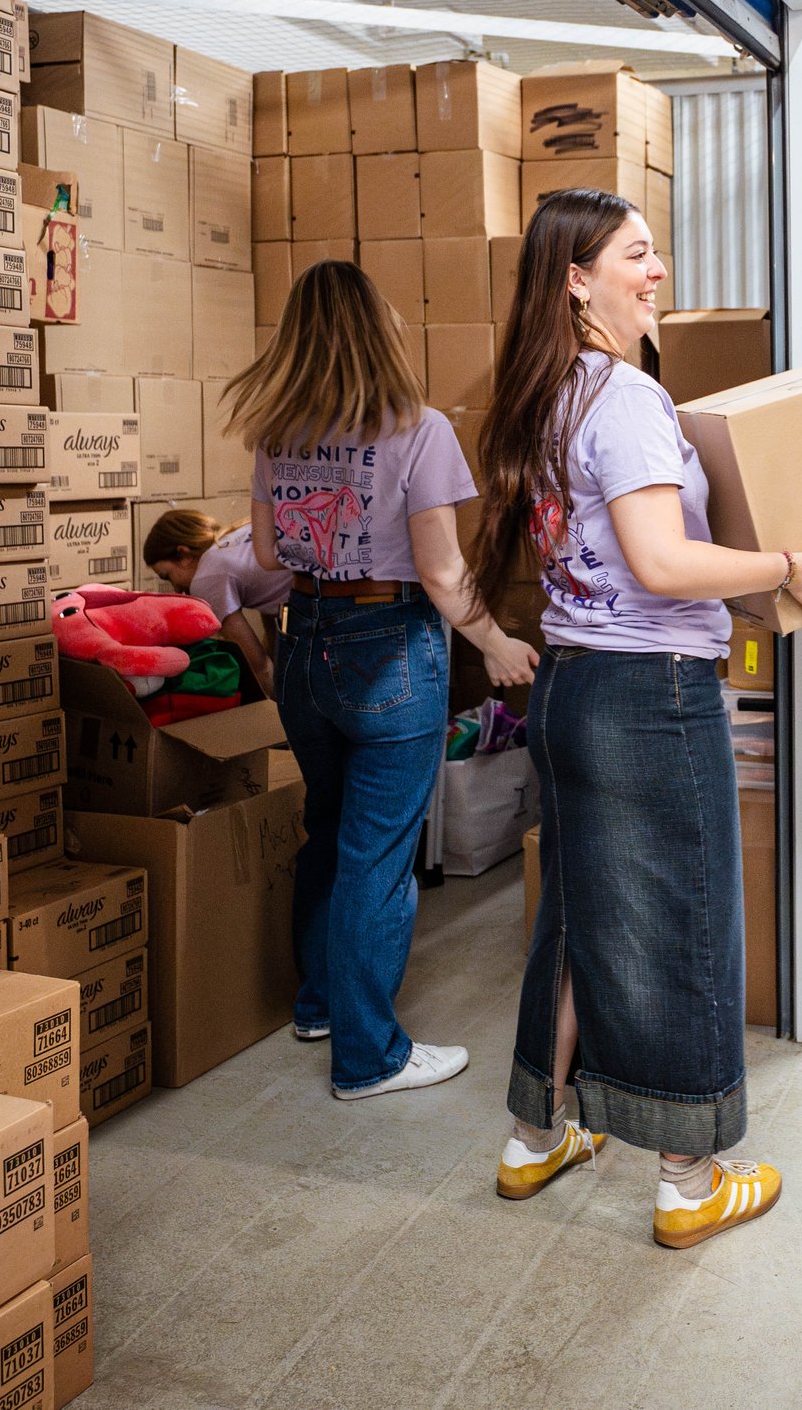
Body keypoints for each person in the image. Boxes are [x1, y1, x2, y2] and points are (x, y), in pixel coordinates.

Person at [472, 188, 802, 1249]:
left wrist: (769, 583)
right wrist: (791, 564)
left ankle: (532, 1135)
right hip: (648, 697)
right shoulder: (627, 397)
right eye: (637, 256)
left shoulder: (547, 393)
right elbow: (657, 562)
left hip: (570, 684)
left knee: (577, 915)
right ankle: (692, 1179)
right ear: (576, 277)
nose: (657, 272)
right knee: (680, 921)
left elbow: (616, 558)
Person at [221, 259, 539, 1101]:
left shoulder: (275, 431)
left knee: (328, 830)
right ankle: (369, 1056)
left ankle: (321, 1004)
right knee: (379, 855)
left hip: (304, 643)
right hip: (389, 645)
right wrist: (498, 639)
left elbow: (262, 555)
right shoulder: (418, 427)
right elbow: (440, 571)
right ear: (379, 329)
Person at [142, 507, 292, 697]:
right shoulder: (231, 540)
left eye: (168, 575)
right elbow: (272, 613)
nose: (177, 589)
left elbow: (257, 665)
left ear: (184, 554)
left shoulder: (206, 577)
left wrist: (270, 717)